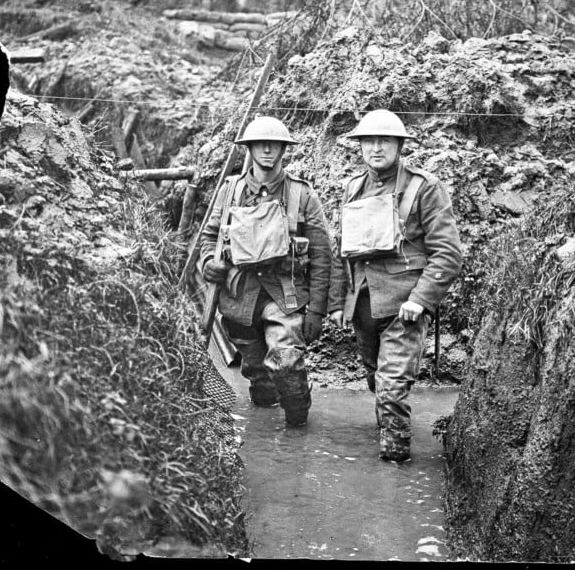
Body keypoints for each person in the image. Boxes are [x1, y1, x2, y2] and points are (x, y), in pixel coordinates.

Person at [328, 109, 462, 461]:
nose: (376, 148)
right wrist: (341, 302)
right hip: (364, 308)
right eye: (369, 141)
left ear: (399, 145)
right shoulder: (352, 187)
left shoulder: (424, 188)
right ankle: (387, 428)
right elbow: (345, 251)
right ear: (359, 146)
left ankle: (395, 463)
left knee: (390, 388)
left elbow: (447, 253)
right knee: (376, 379)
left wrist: (421, 299)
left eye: (385, 140)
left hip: (404, 308)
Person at [197, 116, 331, 427]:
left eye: (274, 144)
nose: (267, 149)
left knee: (286, 361)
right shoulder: (230, 191)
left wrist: (318, 311)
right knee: (258, 376)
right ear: (250, 148)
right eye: (260, 144)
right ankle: (264, 410)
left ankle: (298, 424)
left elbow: (324, 256)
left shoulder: (301, 195)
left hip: (284, 294)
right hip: (239, 296)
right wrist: (208, 263)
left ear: (285, 149)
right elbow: (209, 237)